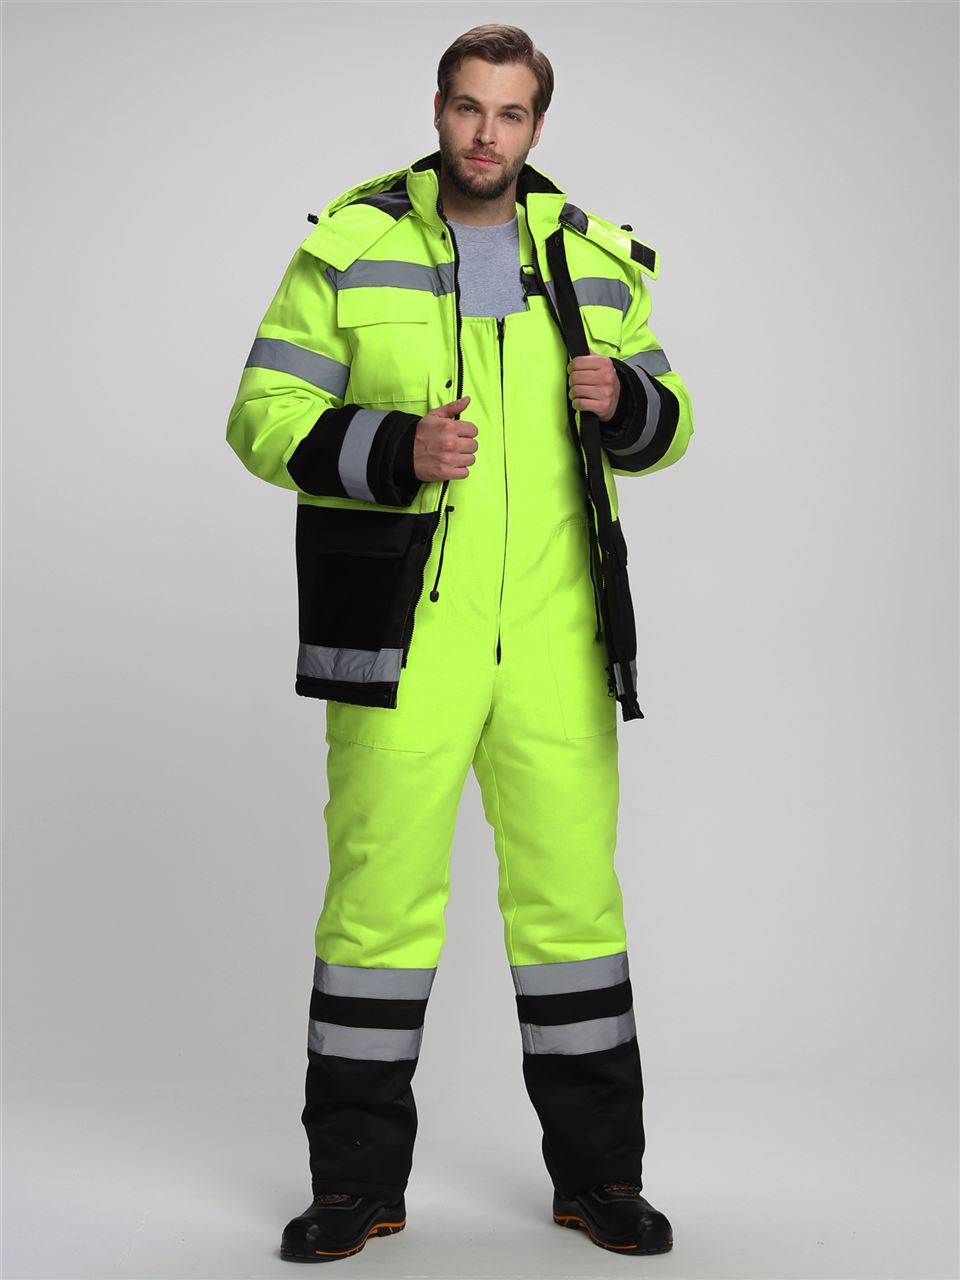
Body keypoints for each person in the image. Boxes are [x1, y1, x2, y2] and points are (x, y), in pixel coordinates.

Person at [226, 22, 694, 1265]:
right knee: (376, 914)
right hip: (403, 638)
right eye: (469, 108)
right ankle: (353, 1187)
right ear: (438, 109)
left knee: (573, 911)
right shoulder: (351, 246)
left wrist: (627, 401)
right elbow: (260, 414)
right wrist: (394, 447)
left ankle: (601, 1179)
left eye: (512, 112)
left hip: (556, 637)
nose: (487, 133)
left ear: (537, 124)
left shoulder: (591, 258)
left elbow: (672, 420)